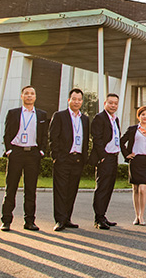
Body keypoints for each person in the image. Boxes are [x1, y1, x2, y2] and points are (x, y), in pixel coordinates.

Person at [1, 85, 48, 232]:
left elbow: (44, 135)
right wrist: (9, 150)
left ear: (35, 97)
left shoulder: (41, 115)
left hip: (33, 154)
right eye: (26, 93)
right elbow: (7, 133)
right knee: (11, 188)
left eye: (32, 93)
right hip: (16, 152)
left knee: (30, 189)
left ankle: (29, 221)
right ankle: (6, 220)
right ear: (22, 96)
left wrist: (41, 151)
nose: (29, 96)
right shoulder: (13, 113)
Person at [49, 88, 90, 231]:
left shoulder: (84, 119)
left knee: (72, 190)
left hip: (77, 159)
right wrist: (56, 156)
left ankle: (67, 218)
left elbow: (85, 139)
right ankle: (59, 220)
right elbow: (53, 137)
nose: (76, 102)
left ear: (82, 102)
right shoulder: (60, 116)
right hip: (63, 159)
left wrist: (84, 157)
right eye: (74, 99)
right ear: (69, 100)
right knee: (60, 190)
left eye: (79, 100)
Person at [120, 106, 146, 225]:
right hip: (135, 161)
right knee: (135, 189)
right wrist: (127, 154)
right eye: (143, 114)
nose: (145, 117)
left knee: (142, 189)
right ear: (138, 116)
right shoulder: (132, 129)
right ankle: (136, 215)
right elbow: (121, 141)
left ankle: (142, 215)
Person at [91, 93, 121, 230]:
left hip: (113, 157)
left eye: (115, 103)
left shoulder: (115, 119)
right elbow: (96, 138)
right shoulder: (100, 118)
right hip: (105, 158)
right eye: (110, 103)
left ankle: (103, 215)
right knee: (102, 188)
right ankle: (98, 218)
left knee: (109, 188)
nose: (113, 105)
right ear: (105, 104)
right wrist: (102, 156)